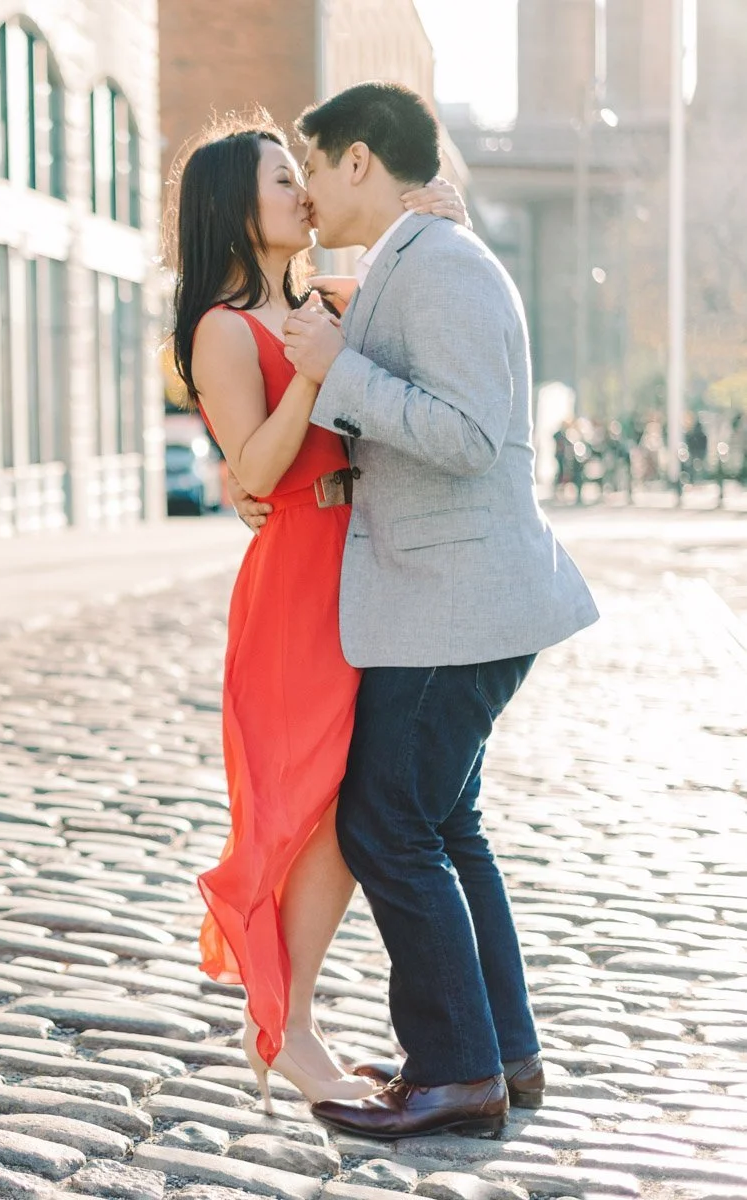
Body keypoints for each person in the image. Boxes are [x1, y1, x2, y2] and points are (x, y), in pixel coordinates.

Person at [240, 81, 599, 1138]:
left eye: (312, 165)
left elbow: (475, 435)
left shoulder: (441, 265)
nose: (304, 189)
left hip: (457, 606)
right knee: (444, 822)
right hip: (451, 603)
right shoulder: (414, 257)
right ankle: (502, 1052)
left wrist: (341, 373)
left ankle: (455, 1072)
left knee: (385, 818)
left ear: (359, 163)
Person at [167, 114, 466, 1113]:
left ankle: (290, 1021)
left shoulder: (312, 298)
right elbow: (251, 468)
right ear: (233, 206)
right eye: (282, 175)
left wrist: (432, 212)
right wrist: (314, 369)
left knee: (336, 811)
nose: (303, 190)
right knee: (308, 811)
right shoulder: (222, 326)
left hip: (351, 572)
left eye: (302, 173)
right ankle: (286, 1029)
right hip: (295, 584)